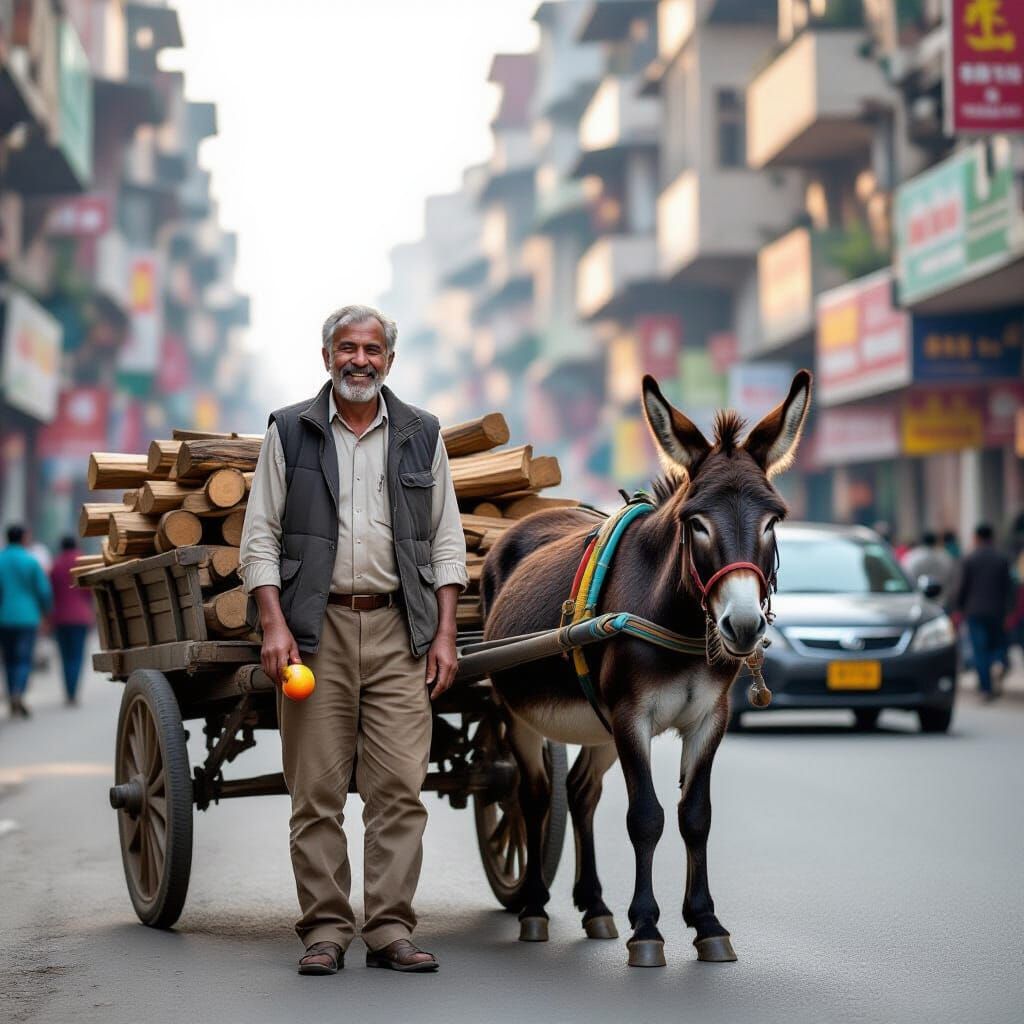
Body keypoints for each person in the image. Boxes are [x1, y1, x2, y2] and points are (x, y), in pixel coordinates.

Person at [240, 304, 468, 976]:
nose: (359, 360)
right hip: (317, 633)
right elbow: (260, 537)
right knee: (316, 790)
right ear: (327, 356)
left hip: (402, 628)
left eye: (372, 349)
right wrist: (275, 624)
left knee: (399, 784)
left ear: (389, 361)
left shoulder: (423, 434)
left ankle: (391, 927)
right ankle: (326, 931)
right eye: (348, 348)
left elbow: (447, 541)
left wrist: (444, 633)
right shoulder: (290, 431)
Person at [955, 524, 1013, 701]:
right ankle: (1000, 662)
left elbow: (963, 587)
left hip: (975, 611)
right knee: (997, 644)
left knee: (980, 650)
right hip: (997, 611)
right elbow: (1009, 587)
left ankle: (986, 688)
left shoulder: (970, 559)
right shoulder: (1003, 558)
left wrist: (959, 608)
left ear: (977, 538)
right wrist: (1009, 610)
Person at [0, 524, 53, 717]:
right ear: (23, 538)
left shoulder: (1, 560)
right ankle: (18, 692)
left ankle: (11, 689)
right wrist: (46, 612)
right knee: (23, 658)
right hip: (27, 616)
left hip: (4, 617)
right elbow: (44, 591)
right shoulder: (30, 561)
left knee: (8, 658)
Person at [49, 536, 95, 705]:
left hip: (60, 617)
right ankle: (73, 693)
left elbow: (50, 591)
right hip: (80, 617)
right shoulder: (83, 562)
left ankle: (68, 690)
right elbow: (90, 591)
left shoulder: (55, 564)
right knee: (76, 656)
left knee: (64, 657)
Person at [902, 531, 955, 603]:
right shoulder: (945, 557)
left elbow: (907, 576)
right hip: (941, 600)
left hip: (917, 600)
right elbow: (951, 579)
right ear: (936, 542)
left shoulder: (912, 557)